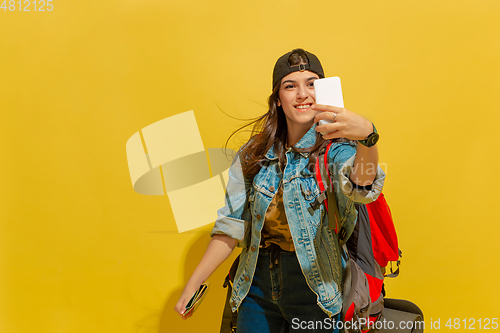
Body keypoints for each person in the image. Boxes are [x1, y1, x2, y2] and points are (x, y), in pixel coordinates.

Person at [174, 48, 385, 332]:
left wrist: (368, 138)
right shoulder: (253, 153)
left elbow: (363, 188)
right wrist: (193, 283)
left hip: (317, 287)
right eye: (290, 86)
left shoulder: (336, 150)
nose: (302, 94)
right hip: (256, 284)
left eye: (312, 84)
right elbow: (231, 226)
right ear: (278, 99)